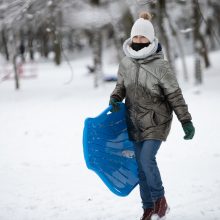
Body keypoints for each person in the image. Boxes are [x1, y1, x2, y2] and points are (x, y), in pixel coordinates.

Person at [109, 12, 195, 220]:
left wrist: (186, 120)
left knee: (147, 159)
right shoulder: (126, 63)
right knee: (140, 166)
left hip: (157, 120)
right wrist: (115, 97)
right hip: (134, 121)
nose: (139, 40)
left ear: (151, 38)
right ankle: (148, 207)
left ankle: (160, 200)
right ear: (132, 38)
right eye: (136, 37)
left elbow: (174, 94)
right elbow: (121, 87)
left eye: (143, 37)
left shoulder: (161, 65)